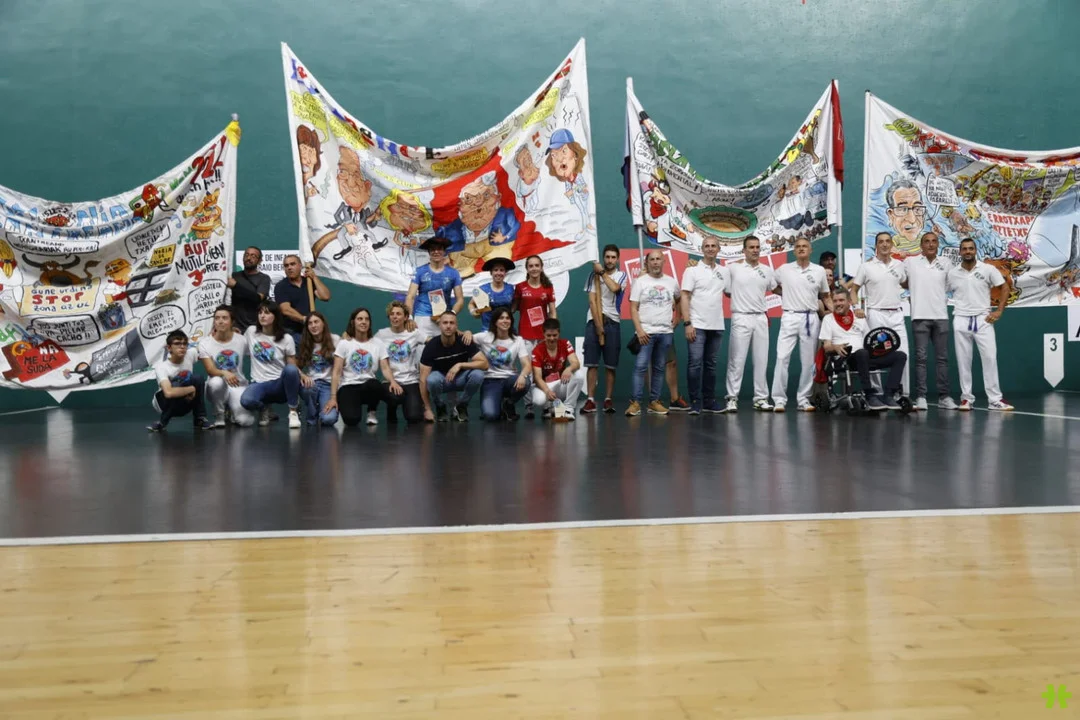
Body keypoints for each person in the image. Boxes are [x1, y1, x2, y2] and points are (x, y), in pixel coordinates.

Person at [947, 238, 1014, 411]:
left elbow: (1005, 287)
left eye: (971, 248)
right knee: (963, 361)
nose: (968, 251)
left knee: (990, 359)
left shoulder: (988, 269)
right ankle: (966, 399)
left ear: (975, 250)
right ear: (960, 252)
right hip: (961, 319)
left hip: (983, 319)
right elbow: (939, 292)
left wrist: (999, 311)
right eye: (964, 249)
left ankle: (995, 400)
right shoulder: (952, 273)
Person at [819, 288, 907, 411]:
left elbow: (869, 341)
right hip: (845, 359)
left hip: (865, 357)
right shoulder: (828, 319)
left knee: (900, 356)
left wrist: (880, 348)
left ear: (849, 302)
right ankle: (869, 395)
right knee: (862, 353)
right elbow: (827, 347)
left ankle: (889, 395)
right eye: (835, 301)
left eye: (841, 300)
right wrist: (836, 347)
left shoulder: (859, 317)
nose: (838, 303)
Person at [771, 237, 830, 412]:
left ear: (810, 250)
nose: (801, 248)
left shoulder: (819, 271)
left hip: (810, 318)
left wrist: (837, 314)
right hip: (789, 316)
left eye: (805, 246)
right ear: (794, 250)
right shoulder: (784, 269)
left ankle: (803, 399)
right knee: (782, 358)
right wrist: (786, 294)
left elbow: (825, 296)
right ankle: (779, 400)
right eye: (798, 246)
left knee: (808, 362)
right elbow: (772, 285)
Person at [850, 232, 910, 394]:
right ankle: (876, 392)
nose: (884, 244)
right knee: (875, 353)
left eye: (887, 241)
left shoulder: (899, 265)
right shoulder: (866, 267)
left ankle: (901, 393)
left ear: (892, 245)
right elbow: (853, 290)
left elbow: (905, 284)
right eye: (881, 242)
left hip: (896, 314)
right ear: (876, 245)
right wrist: (856, 308)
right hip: (875, 314)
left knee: (903, 353)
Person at [904, 231, 957, 410]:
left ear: (938, 244)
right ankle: (921, 397)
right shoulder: (910, 262)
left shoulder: (946, 263)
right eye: (927, 241)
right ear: (921, 245)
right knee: (921, 359)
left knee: (942, 359)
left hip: (941, 317)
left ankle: (944, 397)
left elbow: (950, 285)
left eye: (934, 241)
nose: (931, 244)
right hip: (919, 317)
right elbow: (901, 280)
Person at [724, 236, 778, 412]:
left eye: (757, 247)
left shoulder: (767, 270)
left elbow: (774, 288)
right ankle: (732, 398)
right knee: (736, 360)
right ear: (744, 250)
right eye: (751, 247)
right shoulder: (733, 269)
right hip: (741, 317)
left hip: (761, 318)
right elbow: (727, 292)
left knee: (761, 361)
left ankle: (761, 399)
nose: (755, 250)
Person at [627, 249, 680, 416]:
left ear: (664, 261)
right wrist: (639, 330)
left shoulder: (672, 282)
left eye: (658, 259)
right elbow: (633, 308)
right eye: (652, 259)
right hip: (646, 333)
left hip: (665, 332)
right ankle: (635, 403)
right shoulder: (640, 282)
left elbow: (679, 299)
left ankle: (654, 402)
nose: (656, 262)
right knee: (640, 367)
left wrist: (677, 317)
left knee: (658, 368)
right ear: (647, 263)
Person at [680, 237, 730, 414]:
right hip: (697, 325)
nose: (710, 249)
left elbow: (730, 293)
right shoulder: (692, 270)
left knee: (711, 365)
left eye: (713, 246)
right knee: (695, 364)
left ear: (719, 249)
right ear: (702, 249)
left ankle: (709, 402)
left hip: (716, 325)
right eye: (707, 246)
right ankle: (695, 402)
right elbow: (684, 296)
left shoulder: (725, 271)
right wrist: (688, 323)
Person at [240, 301, 303, 429]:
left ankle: (293, 412)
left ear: (276, 316)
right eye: (260, 312)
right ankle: (264, 409)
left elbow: (292, 364)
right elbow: (238, 343)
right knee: (246, 401)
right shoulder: (251, 332)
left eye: (267, 313)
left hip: (279, 384)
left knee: (291, 370)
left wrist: (302, 375)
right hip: (259, 383)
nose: (262, 316)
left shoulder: (286, 338)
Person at [325, 308, 392, 427]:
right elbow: (336, 372)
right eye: (360, 319)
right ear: (353, 322)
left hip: (368, 386)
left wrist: (393, 381)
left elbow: (385, 368)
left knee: (375, 385)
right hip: (348, 386)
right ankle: (347, 406)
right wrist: (333, 398)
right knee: (351, 420)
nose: (363, 322)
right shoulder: (344, 343)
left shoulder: (377, 343)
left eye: (366, 319)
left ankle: (371, 411)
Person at [582, 244, 628, 414]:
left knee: (610, 365)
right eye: (607, 257)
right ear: (603, 258)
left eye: (613, 257)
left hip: (613, 322)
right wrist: (598, 325)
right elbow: (592, 301)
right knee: (592, 364)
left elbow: (615, 288)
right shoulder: (592, 276)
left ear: (617, 259)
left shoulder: (621, 275)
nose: (610, 260)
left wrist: (601, 272)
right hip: (593, 322)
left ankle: (608, 400)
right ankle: (590, 400)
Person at [419, 311, 489, 422]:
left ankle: (462, 405)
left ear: (456, 326)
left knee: (478, 374)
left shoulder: (464, 340)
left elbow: (485, 364)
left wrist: (460, 365)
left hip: (460, 379)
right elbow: (423, 380)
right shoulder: (431, 345)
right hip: (442, 381)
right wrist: (427, 409)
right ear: (439, 325)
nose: (448, 326)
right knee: (431, 379)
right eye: (445, 323)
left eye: (451, 323)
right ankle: (440, 407)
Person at [512, 254, 557, 418]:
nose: (534, 268)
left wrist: (552, 333)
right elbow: (512, 309)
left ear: (541, 267)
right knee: (528, 371)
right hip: (525, 335)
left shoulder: (548, 287)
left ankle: (548, 406)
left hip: (543, 336)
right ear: (526, 269)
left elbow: (552, 312)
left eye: (537, 265)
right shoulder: (520, 287)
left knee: (546, 371)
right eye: (530, 266)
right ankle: (529, 406)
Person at [198, 305, 255, 428]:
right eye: (217, 318)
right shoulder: (205, 343)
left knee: (246, 421)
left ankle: (232, 410)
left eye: (224, 318)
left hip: (238, 385)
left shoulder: (242, 340)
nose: (220, 321)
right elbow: (210, 370)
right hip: (217, 386)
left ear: (232, 322)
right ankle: (219, 414)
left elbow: (254, 356)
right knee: (216, 383)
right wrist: (225, 373)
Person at [147, 329, 213, 432]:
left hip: (184, 403)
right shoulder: (162, 367)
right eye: (177, 344)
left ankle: (199, 419)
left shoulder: (190, 354)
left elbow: (204, 345)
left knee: (198, 378)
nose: (182, 347)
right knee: (175, 385)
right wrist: (191, 389)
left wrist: (216, 331)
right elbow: (168, 393)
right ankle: (162, 422)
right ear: (169, 348)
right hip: (163, 404)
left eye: (184, 344)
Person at [475, 307, 532, 421]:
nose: (505, 321)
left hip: (510, 380)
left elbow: (527, 364)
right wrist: (467, 333)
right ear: (495, 322)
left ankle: (508, 403)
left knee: (525, 382)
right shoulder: (484, 337)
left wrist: (522, 376)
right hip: (490, 381)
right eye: (501, 318)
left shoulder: (518, 340)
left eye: (507, 318)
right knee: (490, 416)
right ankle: (496, 403)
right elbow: (462, 337)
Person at [375, 301, 426, 424]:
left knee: (414, 418)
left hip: (411, 381)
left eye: (398, 314)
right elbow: (364, 343)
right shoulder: (381, 334)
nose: (395, 316)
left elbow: (433, 342)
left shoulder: (414, 333)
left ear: (406, 317)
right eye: (392, 314)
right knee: (395, 397)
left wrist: (460, 333)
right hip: (390, 381)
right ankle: (391, 408)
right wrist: (347, 335)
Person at [406, 236, 464, 339]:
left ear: (444, 252)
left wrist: (451, 314)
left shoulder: (453, 273)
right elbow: (410, 296)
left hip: (444, 319)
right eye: (432, 249)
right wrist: (409, 317)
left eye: (439, 249)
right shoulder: (419, 271)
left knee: (443, 349)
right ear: (429, 252)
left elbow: (460, 299)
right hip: (422, 318)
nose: (436, 252)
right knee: (422, 349)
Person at [531, 318, 583, 420]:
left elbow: (576, 363)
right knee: (539, 399)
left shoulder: (565, 343)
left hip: (560, 384)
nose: (552, 338)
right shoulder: (537, 350)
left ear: (559, 333)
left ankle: (568, 409)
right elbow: (537, 377)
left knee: (578, 375)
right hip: (544, 386)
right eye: (548, 335)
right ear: (543, 334)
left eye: (554, 335)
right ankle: (551, 408)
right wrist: (547, 391)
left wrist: (569, 369)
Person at [274, 254, 332, 347]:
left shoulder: (309, 282)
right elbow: (285, 309)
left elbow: (325, 296)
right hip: (291, 331)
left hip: (309, 330)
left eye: (292, 264)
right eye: (286, 265)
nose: (289, 268)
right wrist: (305, 320)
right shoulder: (281, 286)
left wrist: (314, 277)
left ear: (300, 266)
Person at [296, 311, 340, 427]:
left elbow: (340, 366)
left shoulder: (335, 340)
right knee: (308, 389)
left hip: (329, 385)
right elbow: (294, 365)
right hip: (312, 384)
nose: (313, 325)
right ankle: (312, 417)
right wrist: (303, 375)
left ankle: (321, 411)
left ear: (323, 324)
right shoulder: (305, 342)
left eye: (316, 322)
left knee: (328, 419)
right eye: (310, 323)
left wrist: (333, 397)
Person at [228, 246, 271, 331]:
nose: (248, 258)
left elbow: (258, 298)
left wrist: (236, 286)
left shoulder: (264, 278)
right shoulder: (233, 276)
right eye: (246, 255)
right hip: (235, 327)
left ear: (260, 261)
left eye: (253, 256)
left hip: (254, 327)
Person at [469, 257, 516, 331]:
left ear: (505, 272)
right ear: (491, 272)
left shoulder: (511, 288)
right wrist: (473, 311)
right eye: (495, 270)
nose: (498, 273)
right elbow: (471, 304)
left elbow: (515, 303)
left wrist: (511, 312)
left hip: (507, 330)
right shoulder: (483, 289)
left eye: (501, 270)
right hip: (488, 330)